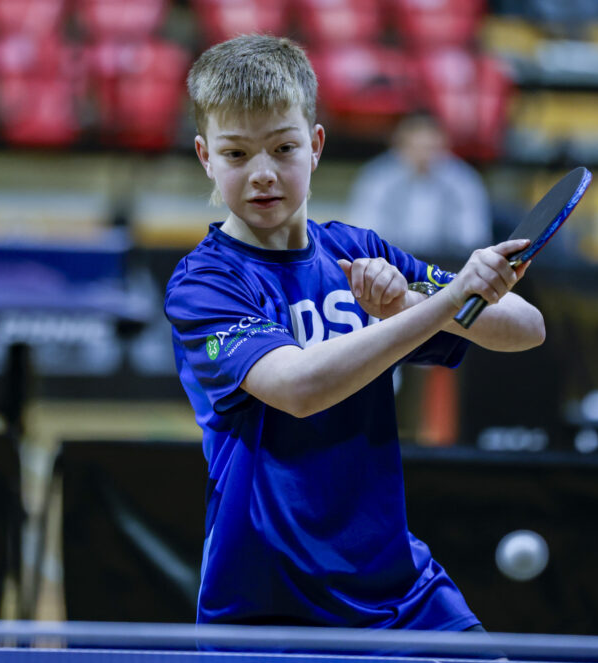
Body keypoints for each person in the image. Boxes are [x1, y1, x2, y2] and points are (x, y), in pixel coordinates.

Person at [164, 35, 544, 631]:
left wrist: (409, 302)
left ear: (315, 146)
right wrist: (443, 300)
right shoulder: (204, 284)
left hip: (396, 586)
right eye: (236, 155)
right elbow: (300, 388)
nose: (263, 174)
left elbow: (525, 328)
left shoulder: (356, 249)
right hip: (268, 598)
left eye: (283, 148)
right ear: (205, 157)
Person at [347, 113, 491, 260]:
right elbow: (365, 232)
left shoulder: (463, 180)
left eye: (430, 148)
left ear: (444, 145)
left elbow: (472, 237)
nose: (423, 155)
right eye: (415, 147)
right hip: (391, 263)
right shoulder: (378, 178)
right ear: (398, 145)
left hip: (447, 264)